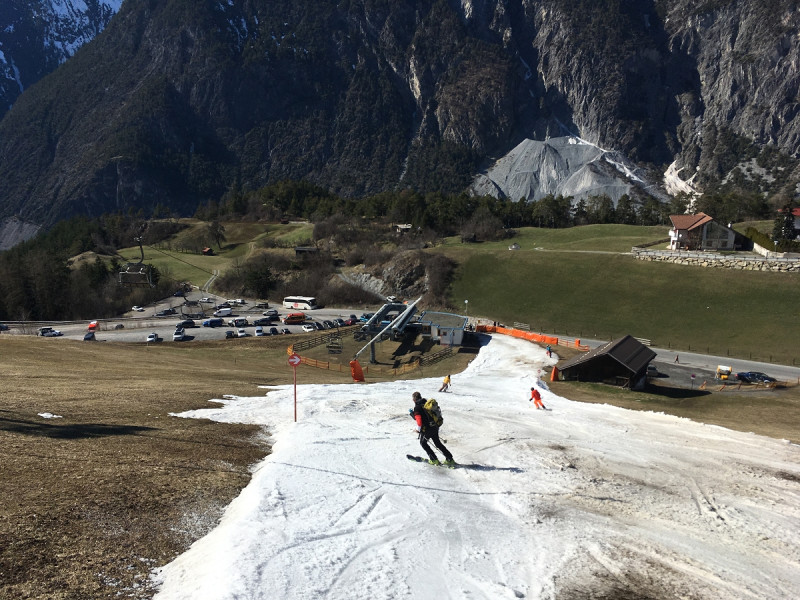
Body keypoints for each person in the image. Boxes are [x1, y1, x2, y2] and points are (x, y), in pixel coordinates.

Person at [411, 391, 454, 465]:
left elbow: (419, 421)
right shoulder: (427, 404)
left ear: (414, 400)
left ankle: (434, 460)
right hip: (435, 426)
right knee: (438, 443)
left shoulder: (417, 407)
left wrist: (417, 429)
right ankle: (450, 459)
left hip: (427, 429)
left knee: (423, 443)